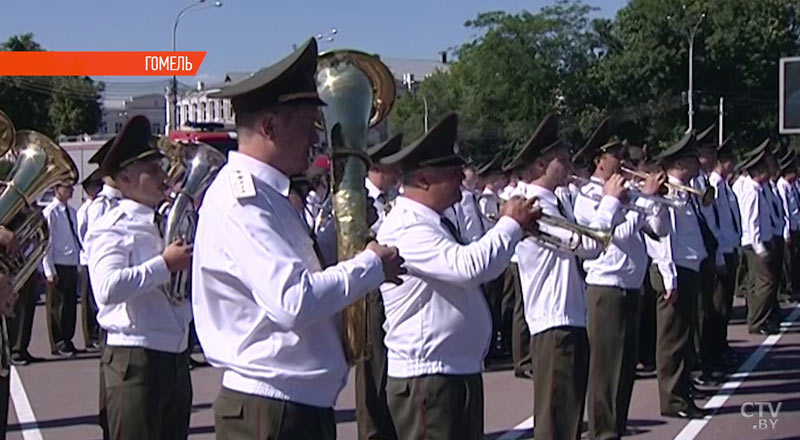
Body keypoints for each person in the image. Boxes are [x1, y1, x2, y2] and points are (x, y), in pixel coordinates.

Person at [191, 38, 405, 439]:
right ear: (270, 127)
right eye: (309, 126)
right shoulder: (243, 200)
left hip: (290, 406)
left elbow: (297, 274)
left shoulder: (270, 195)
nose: (318, 140)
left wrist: (346, 236)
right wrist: (370, 266)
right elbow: (293, 300)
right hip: (272, 411)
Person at [376, 112, 540, 439]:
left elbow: (477, 269)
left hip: (452, 371)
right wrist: (509, 224)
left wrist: (515, 233)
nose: (461, 184)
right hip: (428, 378)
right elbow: (468, 267)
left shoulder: (434, 221)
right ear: (422, 180)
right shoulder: (407, 225)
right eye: (451, 174)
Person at [511, 113, 624, 439]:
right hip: (554, 322)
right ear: (538, 167)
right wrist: (610, 203)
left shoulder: (556, 201)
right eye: (559, 159)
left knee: (568, 419)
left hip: (568, 317)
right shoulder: (536, 207)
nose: (569, 163)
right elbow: (589, 245)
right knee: (557, 421)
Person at [86, 115, 195, 440]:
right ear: (125, 176)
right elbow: (107, 288)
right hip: (136, 358)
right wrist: (164, 265)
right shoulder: (111, 225)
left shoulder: (166, 221)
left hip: (174, 355)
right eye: (153, 169)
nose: (164, 176)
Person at [573, 118, 669, 439]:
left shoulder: (627, 193)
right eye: (615, 154)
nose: (622, 159)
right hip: (606, 287)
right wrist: (644, 201)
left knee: (625, 366)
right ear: (598, 160)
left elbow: (658, 231)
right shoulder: (587, 195)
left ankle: (616, 425)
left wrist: (655, 203)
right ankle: (602, 430)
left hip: (630, 285)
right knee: (605, 368)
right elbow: (617, 236)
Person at [643, 133, 709, 419]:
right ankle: (673, 399)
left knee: (683, 336)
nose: (700, 163)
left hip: (688, 268)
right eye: (694, 158)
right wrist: (670, 278)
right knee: (672, 338)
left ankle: (682, 390)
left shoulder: (684, 190)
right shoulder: (668, 191)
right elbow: (662, 240)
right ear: (682, 163)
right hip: (675, 270)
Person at [354, 133, 404, 440]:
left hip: (392, 285)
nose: (398, 172)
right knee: (372, 364)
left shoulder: (395, 200)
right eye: (392, 166)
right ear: (377, 167)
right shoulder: (358, 199)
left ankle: (388, 427)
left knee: (389, 361)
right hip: (369, 289)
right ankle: (372, 432)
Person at [733, 140, 780, 335]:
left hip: (761, 240)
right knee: (765, 283)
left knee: (758, 283)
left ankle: (759, 318)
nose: (769, 173)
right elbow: (752, 222)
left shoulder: (759, 189)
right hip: (755, 243)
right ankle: (757, 320)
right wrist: (760, 247)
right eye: (765, 170)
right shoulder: (752, 192)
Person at [707, 136, 742, 370]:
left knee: (725, 305)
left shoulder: (724, 186)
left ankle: (721, 346)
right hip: (721, 250)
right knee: (717, 307)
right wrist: (720, 254)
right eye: (730, 160)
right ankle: (714, 352)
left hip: (730, 248)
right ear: (724, 162)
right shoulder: (713, 186)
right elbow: (714, 224)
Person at [42, 180, 81, 357]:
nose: (70, 191)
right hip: (58, 262)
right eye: (66, 187)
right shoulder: (50, 212)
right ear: (57, 190)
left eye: (71, 188)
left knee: (70, 304)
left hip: (71, 261)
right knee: (58, 306)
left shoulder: (72, 212)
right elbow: (46, 243)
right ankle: (58, 342)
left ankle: (68, 339)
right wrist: (49, 270)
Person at [77, 170, 103, 351]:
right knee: (88, 300)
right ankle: (89, 336)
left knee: (97, 299)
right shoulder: (85, 210)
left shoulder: (100, 206)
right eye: (96, 187)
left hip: (96, 258)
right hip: (88, 259)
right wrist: (90, 251)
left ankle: (98, 333)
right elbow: (82, 233)